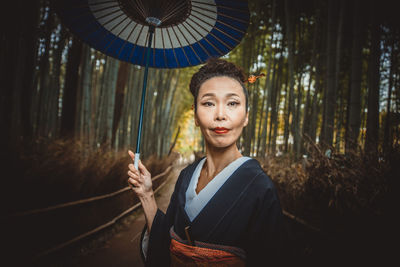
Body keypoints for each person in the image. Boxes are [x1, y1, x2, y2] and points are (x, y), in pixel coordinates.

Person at [127, 58, 285, 266]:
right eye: (209, 103)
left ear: (246, 116)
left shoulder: (260, 188)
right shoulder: (186, 176)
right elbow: (165, 243)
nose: (220, 115)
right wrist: (147, 195)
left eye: (232, 103)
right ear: (195, 115)